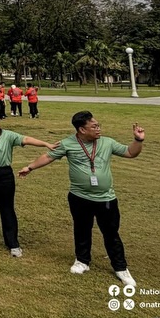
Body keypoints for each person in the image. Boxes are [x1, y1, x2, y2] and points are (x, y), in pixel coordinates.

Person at [19, 111, 144, 287]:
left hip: (105, 198)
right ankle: (82, 261)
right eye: (94, 126)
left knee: (111, 233)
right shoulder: (67, 143)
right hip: (79, 197)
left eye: (98, 125)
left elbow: (131, 153)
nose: (98, 129)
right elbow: (48, 156)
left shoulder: (107, 142)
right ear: (82, 130)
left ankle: (121, 268)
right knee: (81, 229)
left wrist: (138, 140)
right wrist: (30, 167)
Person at [0, 112, 56, 257]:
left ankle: (13, 244)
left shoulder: (8, 135)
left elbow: (26, 139)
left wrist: (46, 144)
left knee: (7, 208)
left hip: (4, 175)